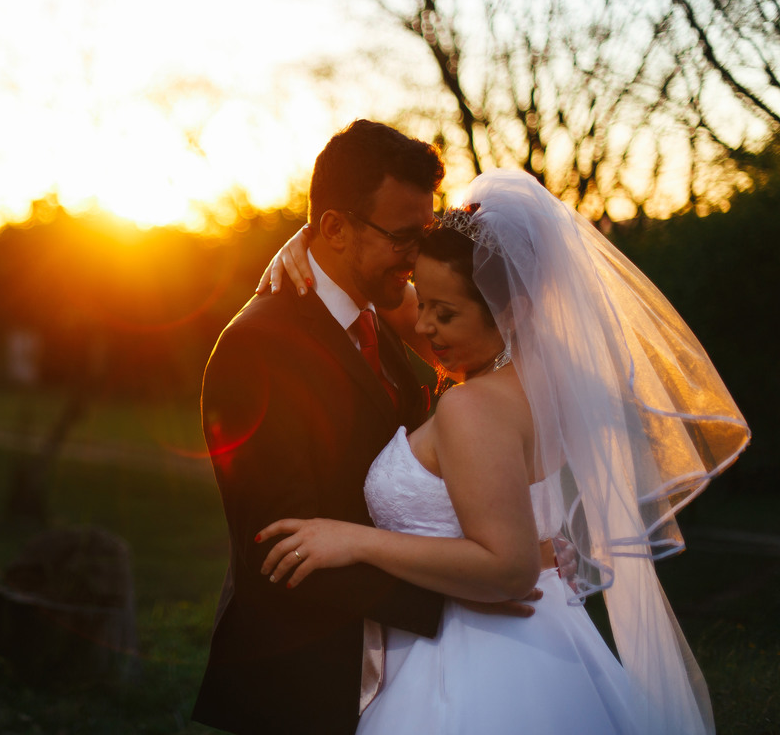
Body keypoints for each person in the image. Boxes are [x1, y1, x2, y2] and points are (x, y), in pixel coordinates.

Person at [257, 168, 750, 734]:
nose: (423, 325)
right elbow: (394, 304)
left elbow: (510, 568)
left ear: (509, 311)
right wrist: (311, 246)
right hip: (546, 636)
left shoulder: (473, 408)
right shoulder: (540, 382)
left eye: (444, 314)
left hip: (474, 660)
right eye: (425, 302)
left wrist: (355, 539)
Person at [192, 121, 538, 735]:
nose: (418, 256)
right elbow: (278, 547)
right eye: (403, 237)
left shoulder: (386, 314)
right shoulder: (257, 347)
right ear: (334, 228)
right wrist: (458, 594)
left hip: (397, 672)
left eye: (424, 234)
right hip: (303, 686)